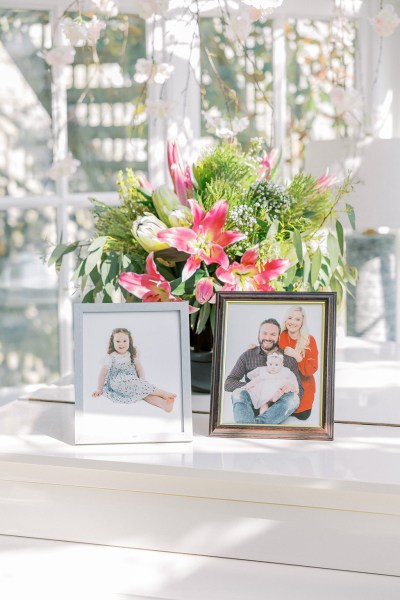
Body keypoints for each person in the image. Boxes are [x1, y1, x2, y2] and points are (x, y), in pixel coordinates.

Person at [225, 318, 303, 424]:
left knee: (294, 398)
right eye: (264, 333)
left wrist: (290, 388)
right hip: (252, 402)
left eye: (273, 334)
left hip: (276, 405)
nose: (268, 337)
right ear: (258, 334)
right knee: (237, 393)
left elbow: (300, 391)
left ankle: (251, 426)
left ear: (279, 337)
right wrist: (253, 386)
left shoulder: (288, 358)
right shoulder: (248, 355)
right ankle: (252, 426)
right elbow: (229, 383)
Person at [92, 328, 176, 412]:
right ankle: (163, 393)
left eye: (125, 341)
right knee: (137, 389)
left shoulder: (132, 355)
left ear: (129, 342)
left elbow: (139, 369)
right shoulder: (110, 357)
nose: (121, 344)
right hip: (117, 383)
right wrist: (99, 389)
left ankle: (164, 404)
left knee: (142, 393)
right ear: (112, 342)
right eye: (118, 341)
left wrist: (142, 382)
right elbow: (102, 374)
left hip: (133, 381)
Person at [279, 306, 318, 421]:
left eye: (297, 319)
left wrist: (297, 356)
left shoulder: (309, 340)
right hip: (282, 385)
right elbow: (267, 356)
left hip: (304, 386)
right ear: (285, 320)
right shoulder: (280, 336)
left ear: (302, 322)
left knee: (303, 415)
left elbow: (312, 369)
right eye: (290, 318)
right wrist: (254, 349)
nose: (293, 322)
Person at [244, 352, 299, 416]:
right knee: (263, 403)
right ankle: (261, 416)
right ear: (267, 364)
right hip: (264, 392)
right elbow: (256, 380)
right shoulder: (264, 372)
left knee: (283, 391)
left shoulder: (283, 373)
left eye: (276, 365)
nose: (273, 367)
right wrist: (248, 385)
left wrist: (293, 387)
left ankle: (274, 399)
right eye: (270, 364)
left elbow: (290, 380)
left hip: (277, 391)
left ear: (282, 365)